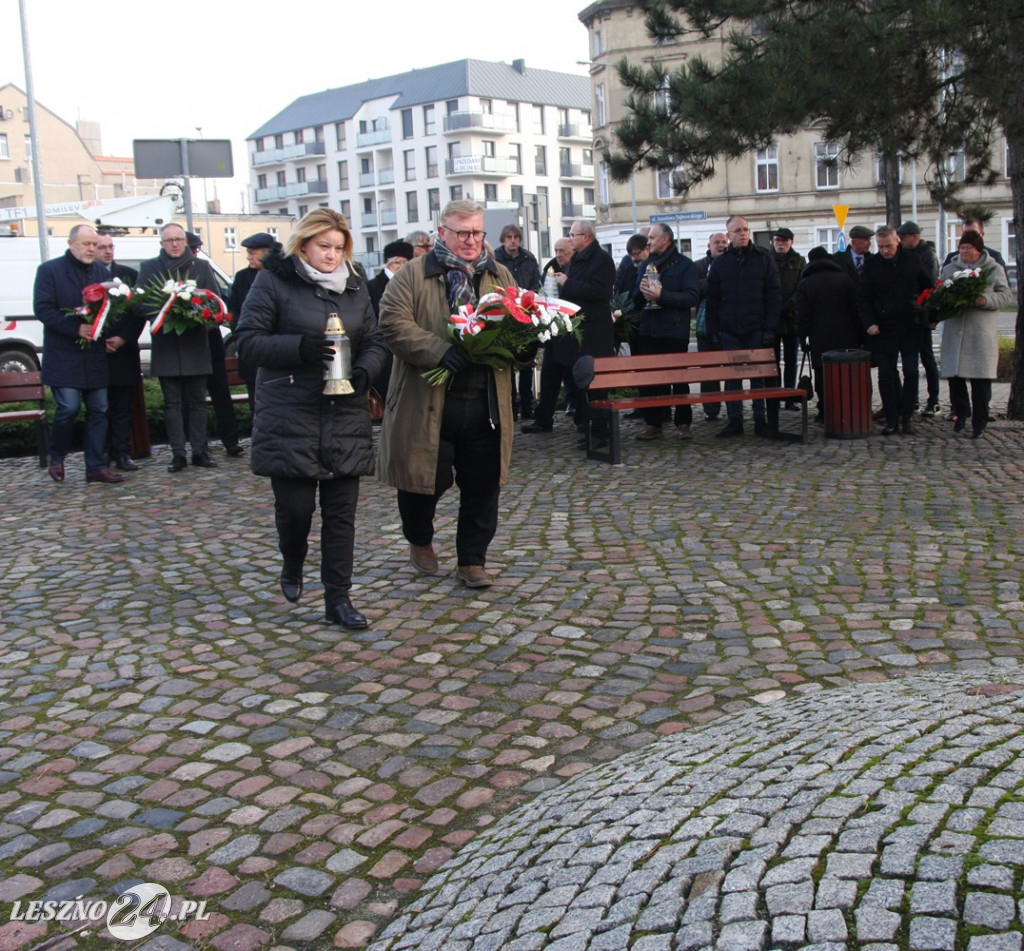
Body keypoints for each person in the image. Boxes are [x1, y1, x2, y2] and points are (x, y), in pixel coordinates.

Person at [235, 208, 387, 629]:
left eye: (339, 248)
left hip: (345, 415)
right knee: (296, 512)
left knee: (341, 517)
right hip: (290, 414)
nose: (332, 255)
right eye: (324, 246)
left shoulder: (355, 285)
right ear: (303, 244)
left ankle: (338, 599)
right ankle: (292, 561)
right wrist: (299, 348)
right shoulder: (273, 280)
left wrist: (365, 370)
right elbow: (246, 341)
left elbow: (375, 340)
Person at [378, 199, 515, 588]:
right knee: (425, 480)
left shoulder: (499, 274)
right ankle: (419, 537)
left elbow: (520, 319)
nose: (472, 241)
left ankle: (472, 560)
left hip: (486, 401)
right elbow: (392, 324)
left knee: (483, 485)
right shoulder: (414, 275)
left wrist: (523, 347)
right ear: (442, 233)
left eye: (477, 232)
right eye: (462, 233)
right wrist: (440, 350)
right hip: (430, 400)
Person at [34, 224, 124, 484]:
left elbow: (111, 310)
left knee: (99, 410)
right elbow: (43, 309)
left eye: (94, 244)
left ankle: (95, 466)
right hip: (64, 355)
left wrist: (105, 329)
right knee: (68, 408)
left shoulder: (100, 272)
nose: (91, 249)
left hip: (93, 356)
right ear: (71, 243)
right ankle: (57, 456)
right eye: (86, 244)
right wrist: (76, 328)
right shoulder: (50, 271)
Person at [525, 220, 616, 448]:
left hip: (594, 333)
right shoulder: (577, 258)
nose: (570, 237)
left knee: (594, 386)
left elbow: (600, 291)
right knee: (579, 383)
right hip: (575, 330)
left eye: (573, 234)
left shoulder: (602, 260)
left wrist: (568, 283)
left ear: (586, 237)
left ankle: (599, 433)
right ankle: (588, 429)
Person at [137, 223, 220, 471]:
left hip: (195, 343)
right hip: (166, 343)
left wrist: (195, 317)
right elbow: (139, 304)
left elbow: (215, 303)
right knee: (171, 403)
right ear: (161, 244)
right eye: (169, 240)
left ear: (186, 242)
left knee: (198, 401)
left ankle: (200, 451)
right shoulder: (149, 268)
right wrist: (166, 315)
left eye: (179, 239)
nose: (174, 243)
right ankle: (178, 454)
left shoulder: (201, 267)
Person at [705, 215, 781, 438]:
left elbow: (774, 295)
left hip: (756, 327)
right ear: (729, 236)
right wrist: (714, 331)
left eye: (746, 229)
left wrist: (770, 329)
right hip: (729, 329)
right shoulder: (720, 263)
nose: (743, 234)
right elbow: (713, 300)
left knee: (758, 377)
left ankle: (760, 419)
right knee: (733, 378)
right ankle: (735, 420)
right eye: (737, 230)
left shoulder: (763, 259)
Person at [858, 226, 932, 436]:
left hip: (910, 325)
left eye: (888, 246)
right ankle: (891, 417)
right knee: (886, 374)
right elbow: (863, 298)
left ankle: (907, 416)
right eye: (881, 247)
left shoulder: (912, 260)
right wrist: (869, 323)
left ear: (897, 241)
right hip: (883, 327)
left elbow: (928, 287)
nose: (885, 251)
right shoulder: (872, 265)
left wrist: (927, 314)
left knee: (910, 372)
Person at [938, 231, 1013, 438]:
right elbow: (940, 290)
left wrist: (984, 300)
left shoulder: (992, 269)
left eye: (968, 249)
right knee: (955, 378)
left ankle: (979, 420)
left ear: (978, 250)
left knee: (980, 381)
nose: (964, 252)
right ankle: (961, 414)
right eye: (962, 248)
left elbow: (1005, 295)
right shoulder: (950, 268)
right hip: (955, 331)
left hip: (980, 334)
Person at [632, 223, 699, 441]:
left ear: (665, 239)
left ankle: (683, 422)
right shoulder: (646, 265)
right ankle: (654, 423)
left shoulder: (685, 266)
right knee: (650, 380)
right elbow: (636, 300)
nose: (648, 242)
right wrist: (642, 293)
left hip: (673, 330)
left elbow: (691, 297)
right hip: (649, 330)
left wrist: (663, 296)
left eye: (652, 238)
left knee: (679, 379)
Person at [185, 232, 243, 458]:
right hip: (187, 346)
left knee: (220, 394)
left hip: (210, 341)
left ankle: (231, 441)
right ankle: (198, 443)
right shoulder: (172, 271)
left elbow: (219, 301)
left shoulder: (203, 267)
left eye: (196, 249)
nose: (195, 253)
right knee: (191, 397)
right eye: (193, 248)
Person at [794, 246, 862, 420]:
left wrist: (803, 339)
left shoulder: (806, 283)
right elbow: (855, 308)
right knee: (846, 373)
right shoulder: (844, 279)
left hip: (820, 336)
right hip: (847, 334)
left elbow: (803, 316)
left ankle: (825, 410)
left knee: (822, 374)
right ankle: (847, 409)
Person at [95, 233, 143, 472]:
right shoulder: (88, 276)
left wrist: (123, 338)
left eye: (110, 246)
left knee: (124, 406)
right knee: (99, 407)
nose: (107, 251)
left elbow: (138, 313)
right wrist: (100, 339)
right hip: (97, 352)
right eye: (102, 247)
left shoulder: (129, 276)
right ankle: (101, 453)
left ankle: (122, 452)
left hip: (123, 351)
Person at [494, 224, 544, 420]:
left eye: (515, 237)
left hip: (526, 312)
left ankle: (527, 404)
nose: (512, 240)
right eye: (508, 237)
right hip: (505, 314)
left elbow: (536, 284)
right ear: (503, 240)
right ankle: (511, 406)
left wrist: (528, 301)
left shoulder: (528, 259)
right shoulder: (496, 259)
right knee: (507, 362)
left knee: (526, 363)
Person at [228, 232, 282, 406]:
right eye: (248, 252)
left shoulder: (282, 274)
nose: (248, 257)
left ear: (267, 253)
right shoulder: (242, 277)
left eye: (253, 253)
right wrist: (244, 335)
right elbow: (234, 309)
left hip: (277, 349)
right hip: (252, 352)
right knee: (255, 402)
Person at [897, 221, 941, 415]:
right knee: (910, 361)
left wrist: (932, 315)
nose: (900, 242)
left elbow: (931, 287)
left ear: (913, 237)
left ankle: (933, 400)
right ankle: (912, 399)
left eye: (902, 238)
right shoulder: (905, 254)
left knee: (927, 358)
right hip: (906, 315)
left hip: (922, 314)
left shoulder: (927, 255)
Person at [770, 227, 807, 409]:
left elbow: (802, 287)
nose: (780, 244)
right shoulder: (767, 260)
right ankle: (775, 395)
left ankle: (790, 396)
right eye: (777, 240)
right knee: (773, 360)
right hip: (773, 317)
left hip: (792, 318)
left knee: (791, 359)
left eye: (784, 241)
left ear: (791, 242)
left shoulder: (799, 261)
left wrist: (790, 305)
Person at [694, 232, 729, 420]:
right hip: (704, 326)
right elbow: (695, 289)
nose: (721, 245)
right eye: (717, 242)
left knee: (731, 369)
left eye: (724, 242)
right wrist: (716, 281)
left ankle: (734, 409)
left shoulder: (733, 262)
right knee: (708, 371)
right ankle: (711, 409)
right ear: (709, 245)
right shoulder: (698, 266)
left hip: (728, 324)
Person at [942, 217, 1007, 269]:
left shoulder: (995, 257)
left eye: (973, 233)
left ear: (982, 234)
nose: (970, 237)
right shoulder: (951, 258)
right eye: (966, 233)